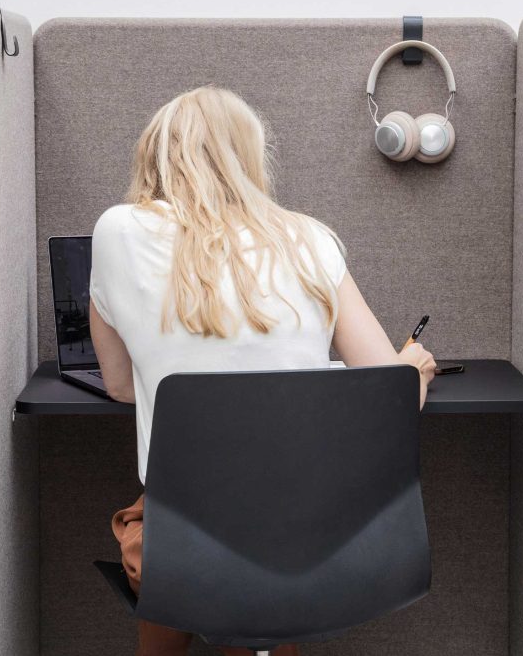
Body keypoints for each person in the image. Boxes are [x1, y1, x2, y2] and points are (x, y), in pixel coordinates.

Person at [89, 84, 436, 656]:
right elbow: (388, 399)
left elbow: (121, 384)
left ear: (155, 152)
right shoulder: (309, 239)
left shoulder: (118, 230)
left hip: (181, 556)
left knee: (173, 525)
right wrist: (414, 369)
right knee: (268, 542)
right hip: (312, 552)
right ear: (249, 157)